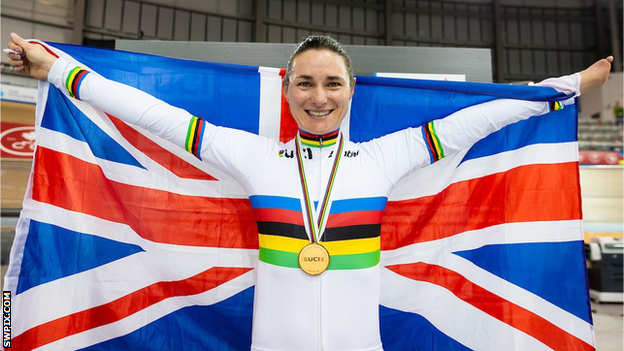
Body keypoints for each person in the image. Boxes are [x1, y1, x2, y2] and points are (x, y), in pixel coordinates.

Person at [5, 33, 612, 351]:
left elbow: (478, 119)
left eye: (332, 84)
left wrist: (562, 88)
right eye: (305, 83)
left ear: (351, 91)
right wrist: (55, 70)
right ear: (289, 89)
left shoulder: (384, 157)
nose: (318, 97)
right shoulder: (250, 154)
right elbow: (154, 115)